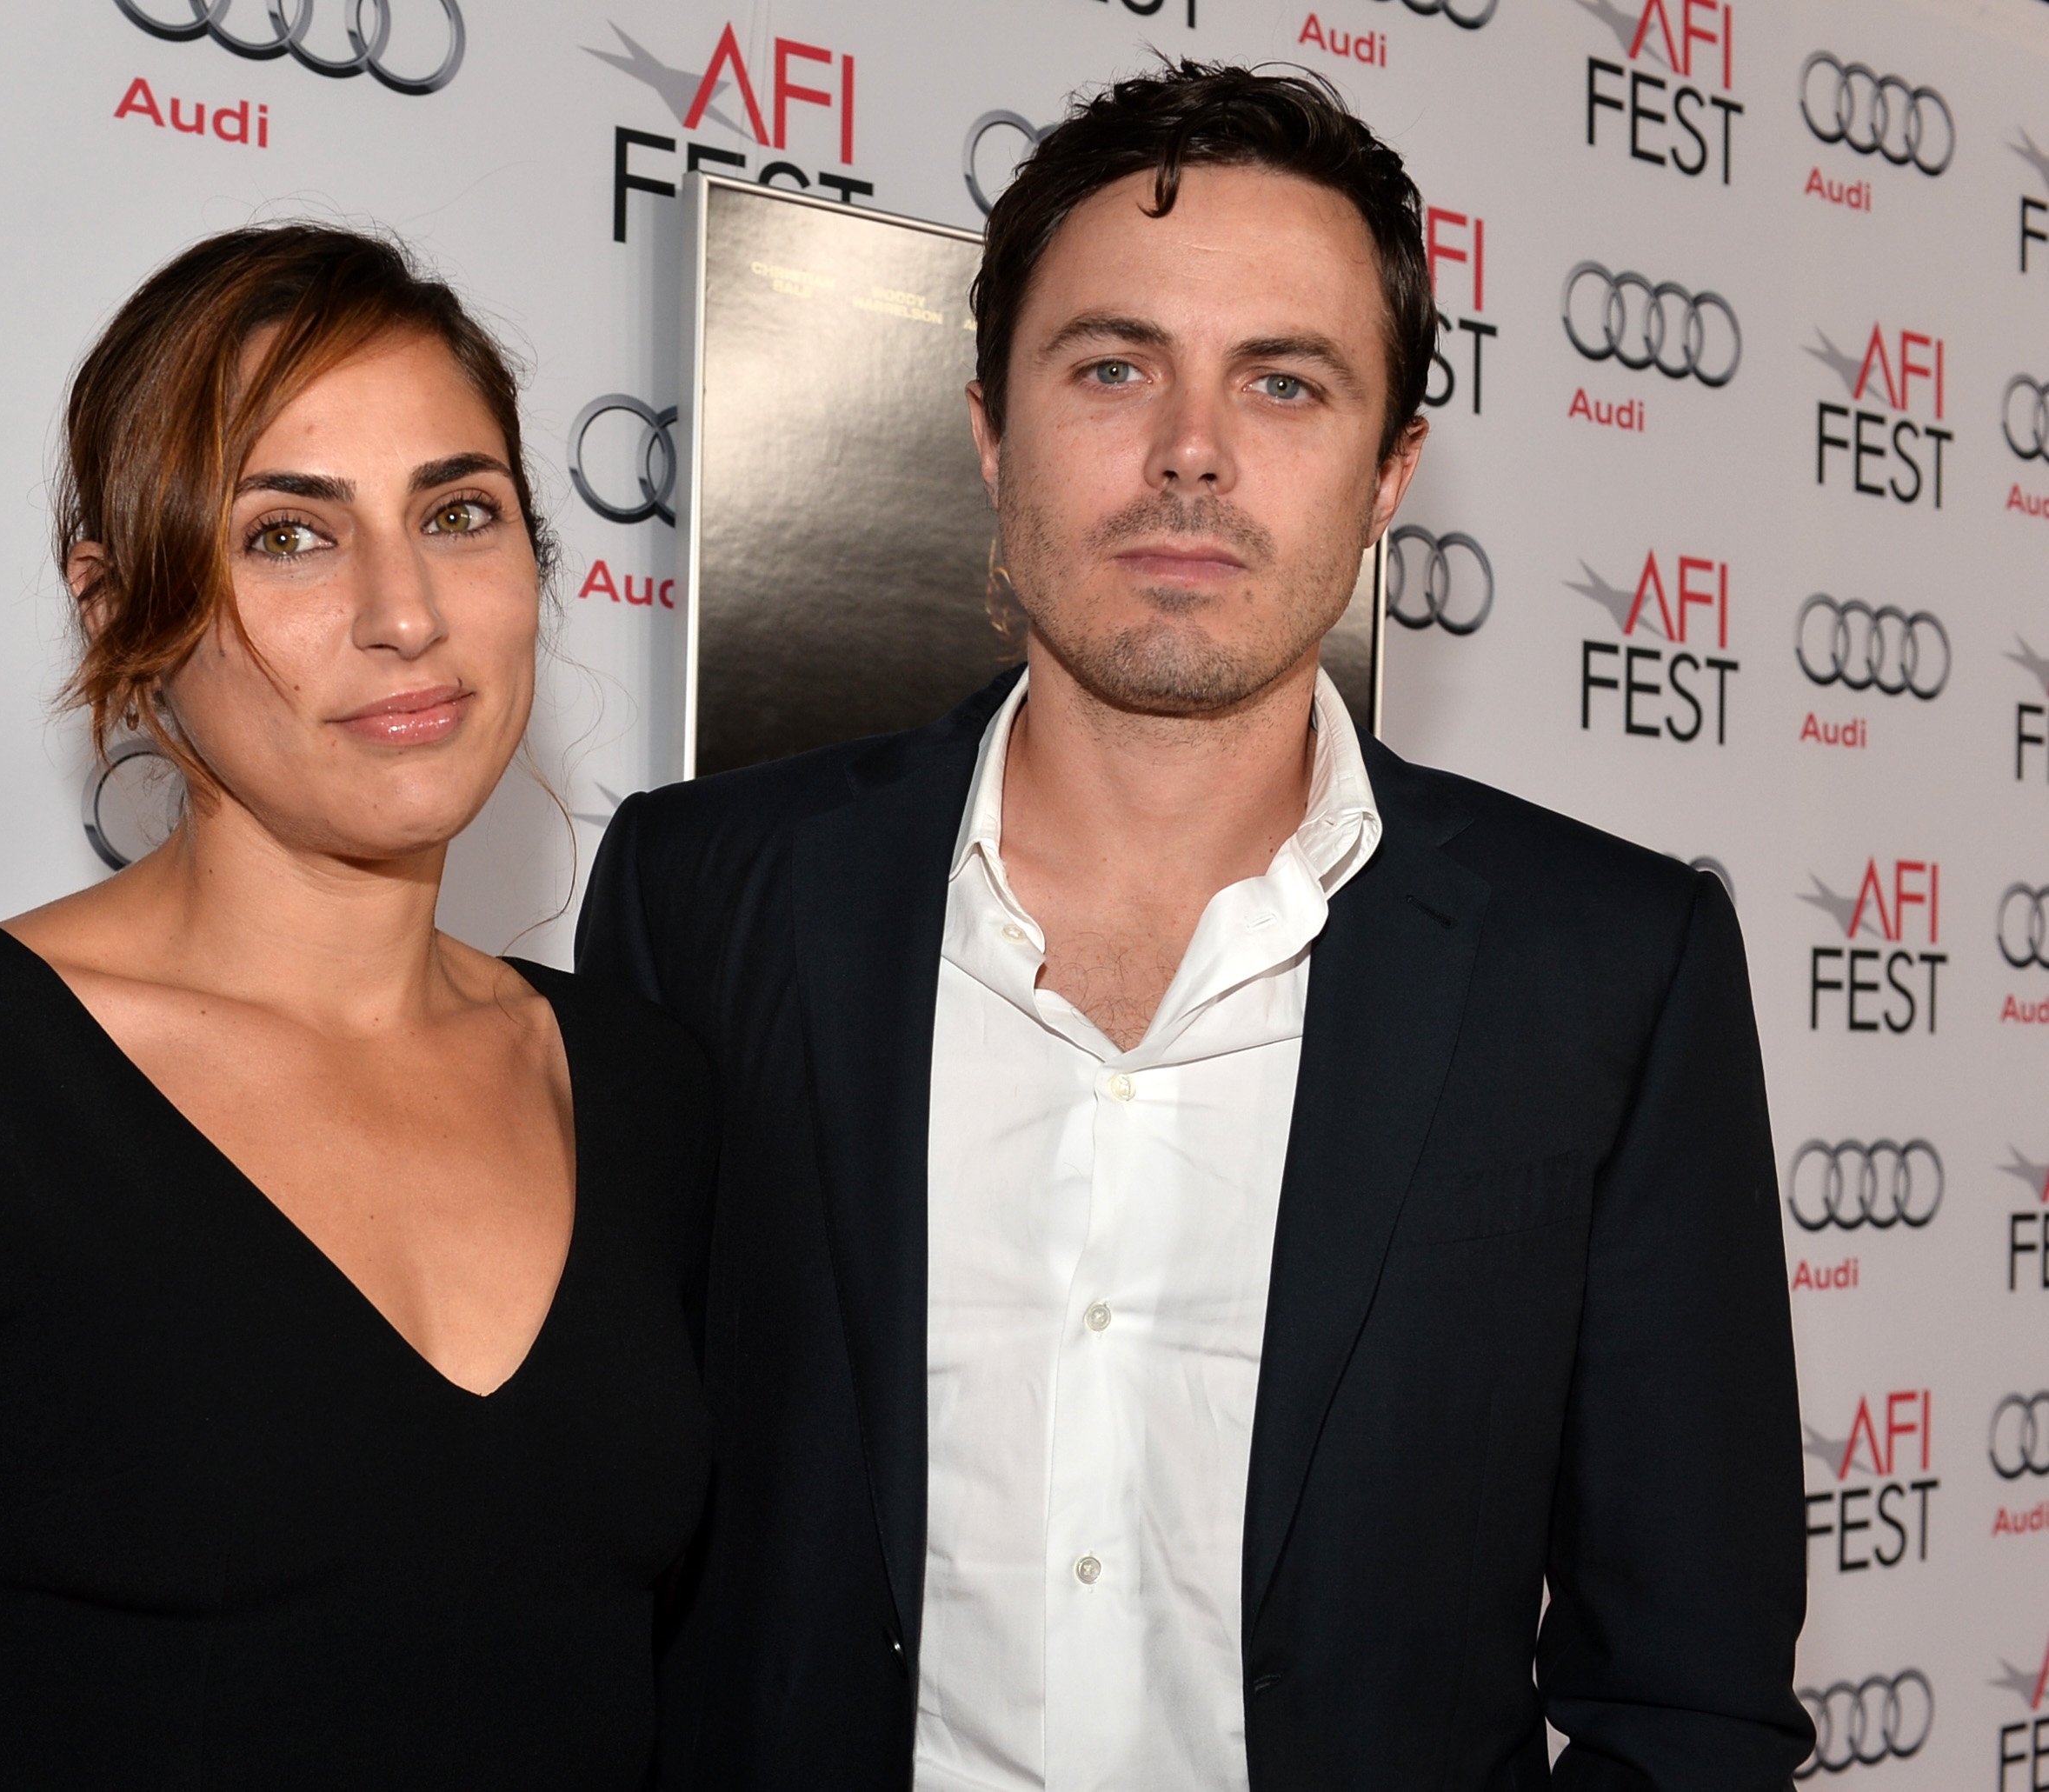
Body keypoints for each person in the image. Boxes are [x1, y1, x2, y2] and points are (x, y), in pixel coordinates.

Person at [578, 62, 1811, 1791]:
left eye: (1285, 383)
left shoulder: (1608, 967)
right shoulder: (704, 896)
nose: (1190, 452)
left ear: (1392, 472)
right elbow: (596, 1566)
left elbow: (1687, 1693)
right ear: (990, 429)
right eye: (1111, 366)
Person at [0, 223, 714, 1791]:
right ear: (113, 607)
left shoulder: (646, 1085)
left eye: (461, 513)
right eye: (289, 534)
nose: (403, 610)